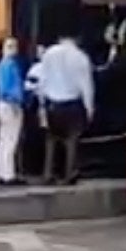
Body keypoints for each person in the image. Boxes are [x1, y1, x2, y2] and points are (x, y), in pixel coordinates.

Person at [35, 33, 96, 185]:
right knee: (71, 140)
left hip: (52, 103)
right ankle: (70, 174)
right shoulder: (81, 57)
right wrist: (89, 108)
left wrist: (42, 105)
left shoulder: (49, 54)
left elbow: (42, 81)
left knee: (51, 139)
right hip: (72, 103)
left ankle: (48, 173)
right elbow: (86, 86)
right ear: (76, 39)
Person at [0, 36, 27, 185]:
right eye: (10, 46)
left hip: (4, 104)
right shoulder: (9, 65)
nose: (13, 49)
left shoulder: (2, 65)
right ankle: (9, 174)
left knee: (4, 139)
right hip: (10, 104)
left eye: (14, 46)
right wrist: (13, 103)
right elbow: (6, 88)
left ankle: (3, 172)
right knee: (10, 139)